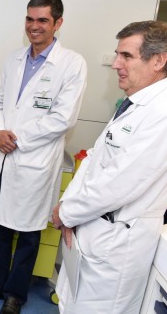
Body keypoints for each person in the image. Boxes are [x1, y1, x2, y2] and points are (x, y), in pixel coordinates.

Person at [0, 0, 87, 314]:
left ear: (58, 23)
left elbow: (63, 118)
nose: (34, 26)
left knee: (29, 233)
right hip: (2, 159)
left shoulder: (72, 64)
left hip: (34, 160)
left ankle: (15, 294)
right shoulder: (14, 59)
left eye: (42, 20)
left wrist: (15, 138)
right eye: (30, 19)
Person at [52, 20, 167, 313]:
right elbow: (94, 159)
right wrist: (68, 205)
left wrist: (67, 212)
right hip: (94, 229)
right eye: (117, 54)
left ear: (159, 60)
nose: (116, 64)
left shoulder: (161, 111)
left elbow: (121, 181)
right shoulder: (133, 103)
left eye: (126, 56)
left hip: (118, 243)